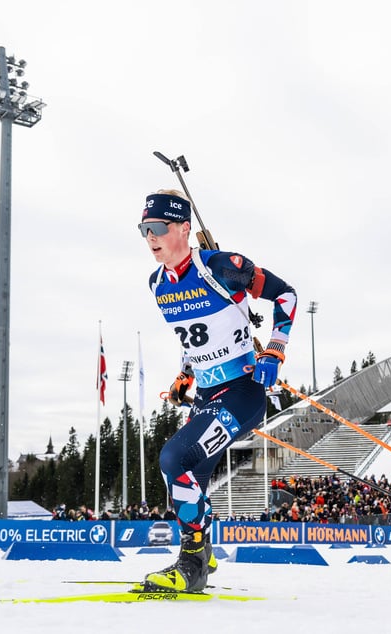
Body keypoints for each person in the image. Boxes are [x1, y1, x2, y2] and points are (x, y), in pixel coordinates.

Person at [138, 189, 296, 592]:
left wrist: (275, 350)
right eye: (144, 230)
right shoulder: (157, 284)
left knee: (174, 458)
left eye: (158, 228)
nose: (151, 237)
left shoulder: (222, 267)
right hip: (207, 395)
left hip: (241, 392)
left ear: (184, 228)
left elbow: (286, 295)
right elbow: (194, 338)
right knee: (187, 481)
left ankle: (191, 565)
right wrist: (185, 375)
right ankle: (202, 554)